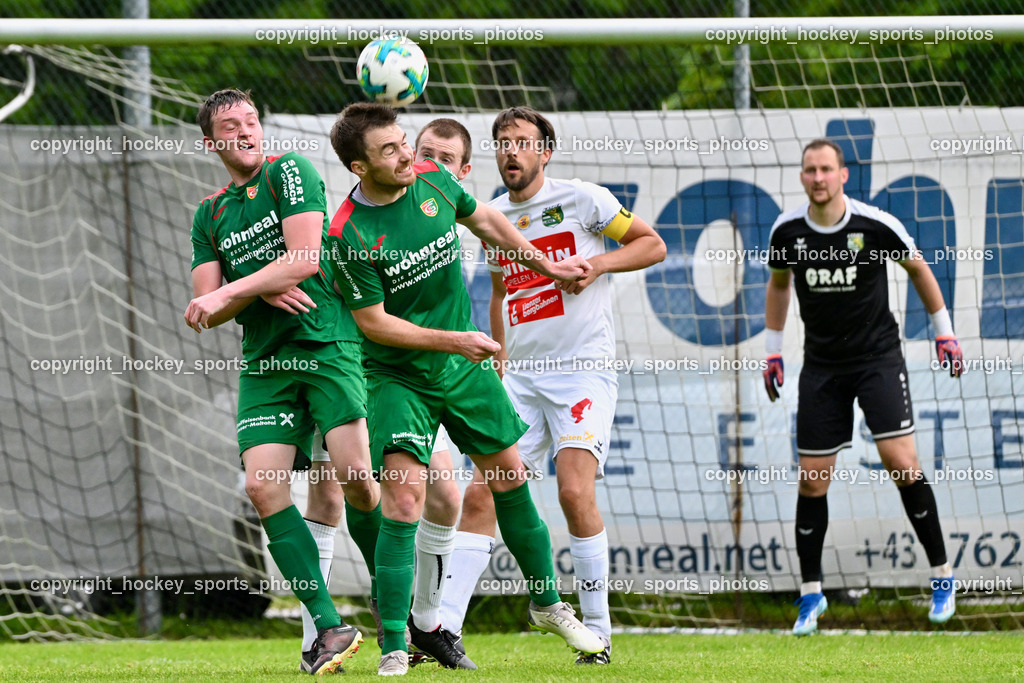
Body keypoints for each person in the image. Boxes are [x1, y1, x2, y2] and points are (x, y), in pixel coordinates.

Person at [324, 102, 606, 677]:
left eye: (405, 143)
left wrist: (543, 266)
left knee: (510, 478)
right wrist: (454, 340)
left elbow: (489, 224)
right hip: (398, 374)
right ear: (359, 167)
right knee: (405, 500)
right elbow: (374, 324)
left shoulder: (435, 181)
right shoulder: (346, 232)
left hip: (459, 365)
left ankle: (549, 604)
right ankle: (396, 644)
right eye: (389, 151)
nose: (406, 156)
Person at [438, 106, 666, 665]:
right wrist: (498, 358)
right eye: (502, 142)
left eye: (522, 142)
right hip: (519, 376)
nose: (510, 151)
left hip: (582, 369)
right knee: (480, 493)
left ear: (545, 151)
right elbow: (499, 294)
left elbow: (652, 244)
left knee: (572, 492)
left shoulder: (584, 200)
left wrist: (602, 264)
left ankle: (599, 634)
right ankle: (440, 633)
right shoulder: (490, 216)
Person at [184, 88, 383, 674]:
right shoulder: (209, 212)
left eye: (251, 120)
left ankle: (398, 614)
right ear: (211, 142)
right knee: (263, 487)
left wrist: (239, 284)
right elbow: (204, 310)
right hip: (266, 362)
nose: (245, 131)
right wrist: (250, 287)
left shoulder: (288, 171)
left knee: (357, 483)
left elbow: (306, 258)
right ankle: (329, 626)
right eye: (230, 125)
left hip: (326, 344)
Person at [762, 139, 964, 635]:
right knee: (812, 479)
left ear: (843, 175)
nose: (818, 178)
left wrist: (945, 332)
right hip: (822, 369)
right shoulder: (787, 232)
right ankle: (811, 596)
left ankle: (942, 575)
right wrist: (772, 348)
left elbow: (918, 268)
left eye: (826, 169)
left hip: (877, 360)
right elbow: (779, 284)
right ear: (802, 176)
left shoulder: (875, 225)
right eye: (810, 170)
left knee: (902, 463)